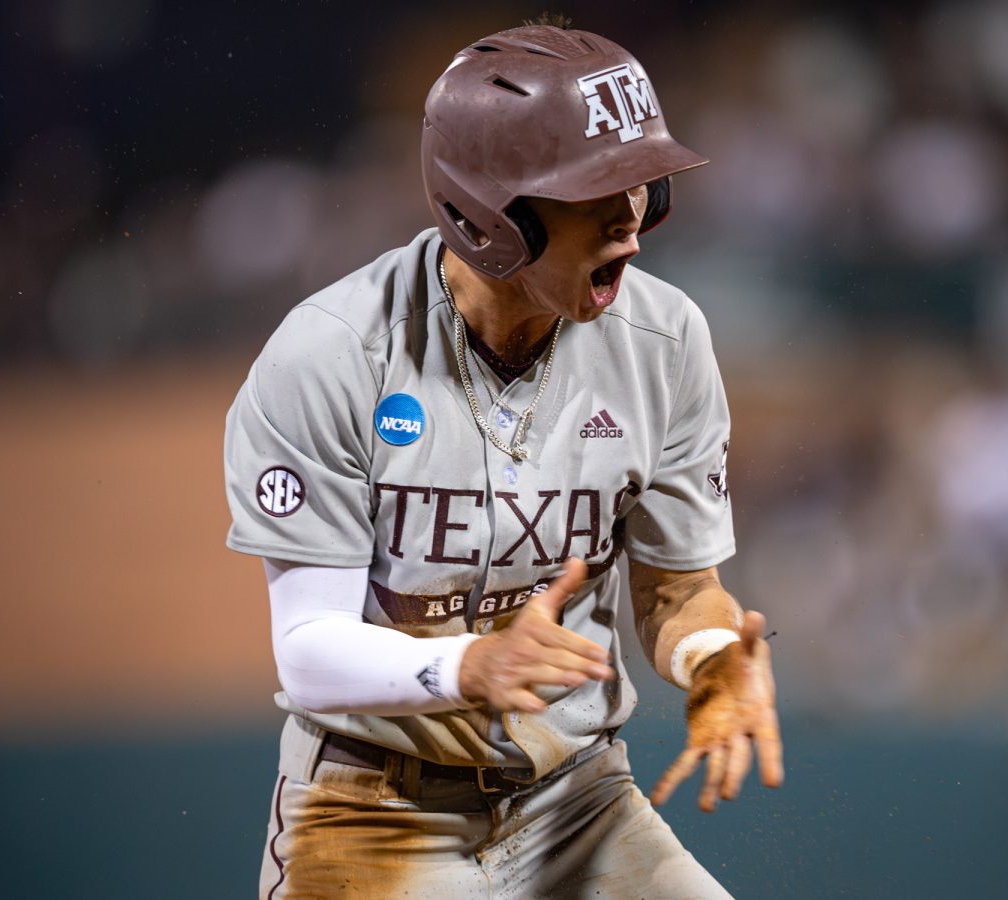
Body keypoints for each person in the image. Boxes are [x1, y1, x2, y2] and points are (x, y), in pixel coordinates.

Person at [224, 20, 783, 899]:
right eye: (597, 190)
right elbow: (306, 651)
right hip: (374, 805)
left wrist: (713, 658)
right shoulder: (332, 354)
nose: (632, 224)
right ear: (490, 216)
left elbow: (679, 590)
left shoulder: (665, 340)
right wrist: (467, 666)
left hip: (577, 798)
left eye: (641, 184)